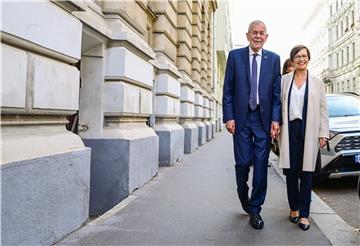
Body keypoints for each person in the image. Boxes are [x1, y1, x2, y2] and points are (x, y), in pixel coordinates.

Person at [222, 20, 281, 230]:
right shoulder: (235, 56)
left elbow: (276, 94)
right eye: (254, 33)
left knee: (260, 167)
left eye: (261, 33)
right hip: (241, 119)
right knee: (243, 163)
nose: (258, 36)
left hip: (263, 121)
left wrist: (276, 119)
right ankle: (241, 191)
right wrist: (228, 117)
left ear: (266, 37)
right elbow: (228, 89)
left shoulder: (273, 59)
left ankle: (255, 209)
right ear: (247, 35)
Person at [278, 45, 329, 231]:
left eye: (304, 56)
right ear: (292, 60)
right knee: (291, 172)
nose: (301, 59)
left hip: (310, 130)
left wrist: (324, 132)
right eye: (298, 56)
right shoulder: (284, 80)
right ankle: (294, 208)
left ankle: (305, 214)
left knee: (306, 173)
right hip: (289, 129)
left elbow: (323, 109)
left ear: (309, 58)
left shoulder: (317, 82)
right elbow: (278, 104)